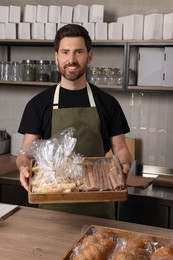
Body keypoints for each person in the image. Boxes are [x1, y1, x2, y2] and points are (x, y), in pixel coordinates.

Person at [16, 23, 132, 219]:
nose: (71, 59)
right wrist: (23, 167)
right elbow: (25, 153)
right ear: (56, 57)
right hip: (53, 207)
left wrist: (124, 164)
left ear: (89, 56)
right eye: (65, 52)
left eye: (78, 52)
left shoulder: (107, 103)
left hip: (99, 203)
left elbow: (120, 149)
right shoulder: (38, 104)